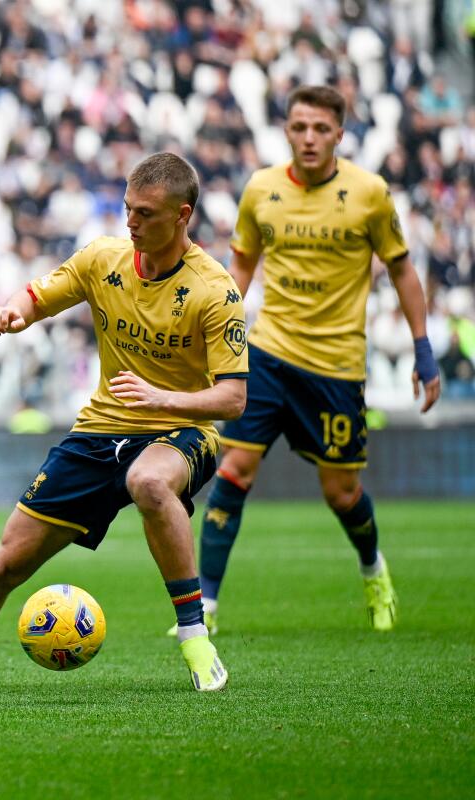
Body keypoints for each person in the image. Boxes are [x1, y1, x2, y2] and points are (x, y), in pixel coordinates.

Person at [0, 153, 248, 695]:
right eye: (128, 209)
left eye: (146, 214)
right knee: (3, 567)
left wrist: (162, 396)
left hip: (179, 433)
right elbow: (37, 295)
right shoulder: (103, 259)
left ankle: (194, 636)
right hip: (98, 433)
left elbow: (233, 398)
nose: (131, 223)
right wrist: (12, 312)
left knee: (149, 483)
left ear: (183, 216)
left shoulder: (215, 290)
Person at [187, 85, 440, 636]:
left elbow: (400, 269)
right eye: (299, 127)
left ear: (339, 135)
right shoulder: (261, 190)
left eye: (320, 129)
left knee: (341, 493)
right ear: (286, 130)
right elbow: (241, 271)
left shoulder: (369, 194)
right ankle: (203, 608)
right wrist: (220, 340)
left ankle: (373, 569)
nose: (308, 138)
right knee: (233, 470)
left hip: (336, 366)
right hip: (269, 355)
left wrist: (423, 349)